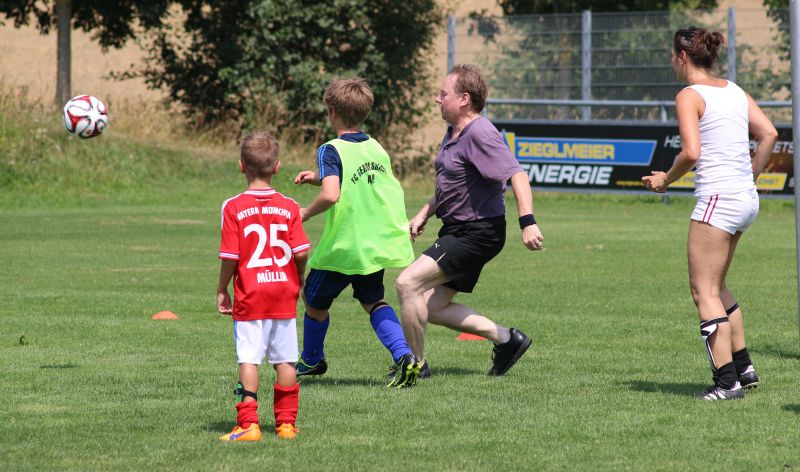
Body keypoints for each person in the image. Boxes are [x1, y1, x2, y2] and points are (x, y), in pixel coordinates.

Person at [642, 27, 778, 400]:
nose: (672, 61)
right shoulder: (734, 90)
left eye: (672, 55)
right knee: (716, 286)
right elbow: (769, 133)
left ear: (683, 57)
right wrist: (750, 176)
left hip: (719, 199)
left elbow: (691, 152)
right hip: (745, 199)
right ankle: (744, 368)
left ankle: (726, 383)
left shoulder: (689, 95)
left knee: (702, 291)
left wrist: (665, 180)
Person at [395, 64, 544, 377]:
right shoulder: (454, 131)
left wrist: (527, 221)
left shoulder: (481, 132)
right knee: (432, 307)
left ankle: (416, 366)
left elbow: (516, 174)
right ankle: (507, 340)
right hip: (458, 229)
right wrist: (424, 212)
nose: (437, 99)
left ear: (464, 99)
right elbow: (454, 183)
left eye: (443, 94)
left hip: (477, 232)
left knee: (407, 284)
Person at [293, 77, 420, 388]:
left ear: (332, 111)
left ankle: (312, 359)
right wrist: (318, 177)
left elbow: (332, 194)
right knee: (373, 300)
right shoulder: (375, 147)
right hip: (372, 244)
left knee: (312, 299)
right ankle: (405, 356)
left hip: (344, 246)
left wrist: (303, 214)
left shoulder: (330, 149)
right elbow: (365, 181)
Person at [216, 131, 310, 441]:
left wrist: (222, 289)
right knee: (285, 359)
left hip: (251, 293)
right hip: (283, 291)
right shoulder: (290, 206)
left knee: (249, 358)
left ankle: (248, 424)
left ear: (241, 165)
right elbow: (301, 251)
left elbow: (231, 256)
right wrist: (299, 277)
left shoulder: (232, 206)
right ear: (277, 167)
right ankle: (286, 425)